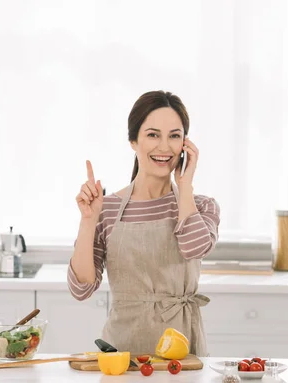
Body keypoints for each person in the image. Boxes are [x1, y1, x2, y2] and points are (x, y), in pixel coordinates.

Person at [68, 90, 220, 356]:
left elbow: (193, 249)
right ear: (133, 141)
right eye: (153, 135)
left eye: (174, 136)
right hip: (122, 356)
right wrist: (88, 221)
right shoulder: (107, 209)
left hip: (183, 355)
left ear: (185, 144)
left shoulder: (201, 206)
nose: (164, 147)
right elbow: (81, 288)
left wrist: (185, 186)